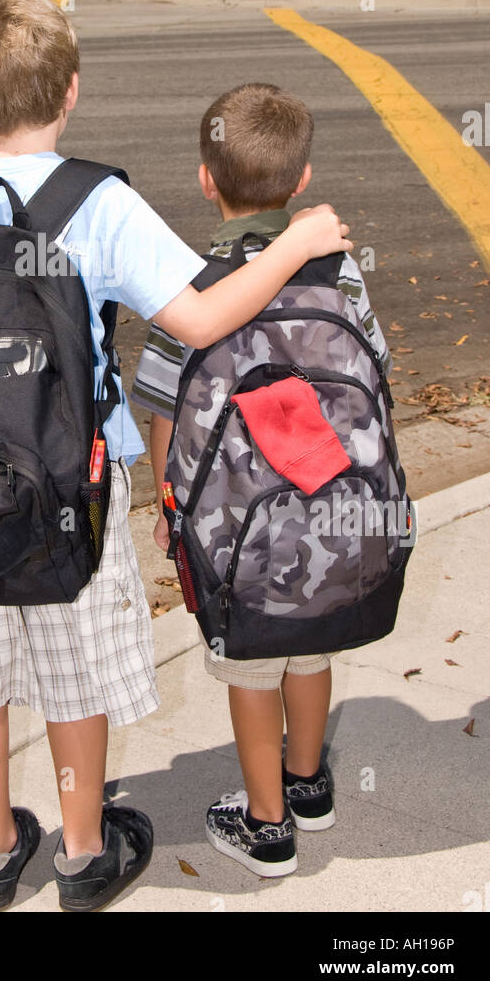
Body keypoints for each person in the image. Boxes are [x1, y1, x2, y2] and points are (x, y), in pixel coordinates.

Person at [0, 0, 352, 910]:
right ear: (72, 92)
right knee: (72, 669)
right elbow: (205, 314)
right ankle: (85, 851)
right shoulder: (96, 202)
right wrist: (293, 248)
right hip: (68, 482)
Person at [132, 82, 390, 878]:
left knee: (251, 667)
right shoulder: (341, 275)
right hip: (333, 510)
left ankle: (266, 823)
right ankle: (309, 785)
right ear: (302, 178)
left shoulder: (194, 291)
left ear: (206, 179)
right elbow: (374, 369)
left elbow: (164, 411)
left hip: (238, 527)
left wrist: (171, 504)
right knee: (311, 649)